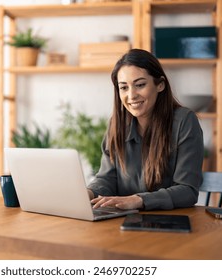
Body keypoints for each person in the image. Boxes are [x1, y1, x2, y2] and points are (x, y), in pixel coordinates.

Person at [87, 48, 204, 211]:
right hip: (122, 221)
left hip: (169, 223)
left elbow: (188, 190)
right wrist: (89, 193)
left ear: (160, 84)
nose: (132, 95)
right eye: (124, 88)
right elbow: (107, 179)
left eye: (140, 85)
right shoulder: (116, 124)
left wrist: (138, 200)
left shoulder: (185, 121)